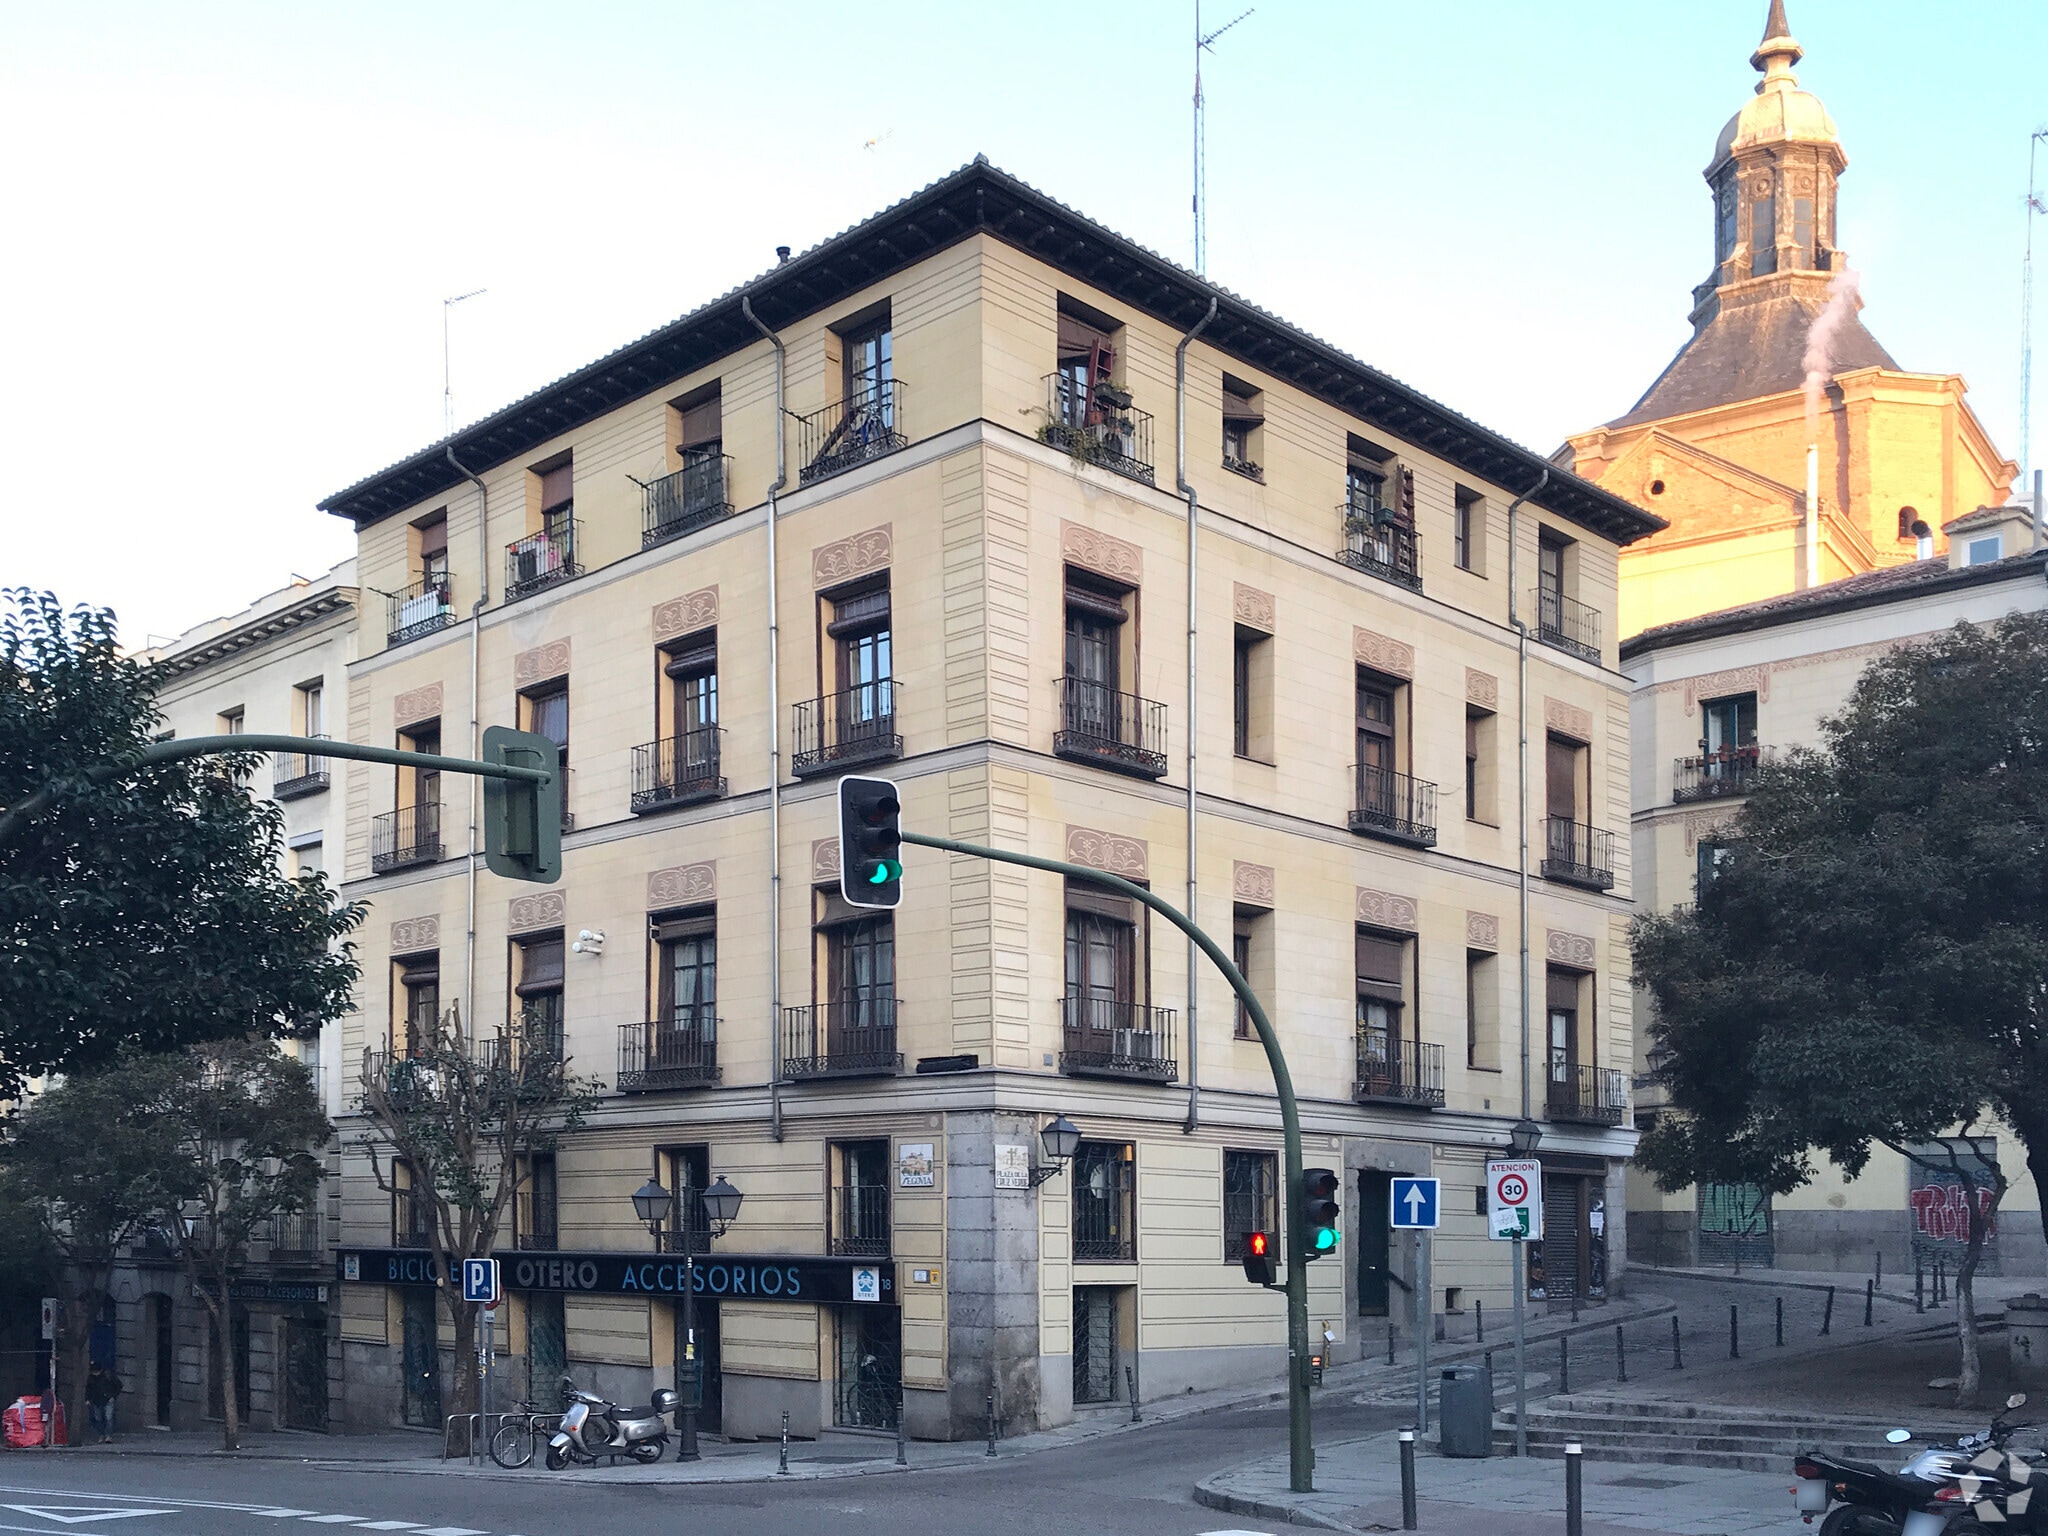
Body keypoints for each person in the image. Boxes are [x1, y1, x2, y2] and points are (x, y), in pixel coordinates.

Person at [85, 1365, 121, 1444]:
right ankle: (101, 1435)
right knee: (99, 1419)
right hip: (96, 1400)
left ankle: (108, 1436)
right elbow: (88, 1389)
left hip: (107, 1399)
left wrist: (113, 1396)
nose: (95, 1374)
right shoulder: (91, 1378)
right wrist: (87, 1399)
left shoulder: (108, 1376)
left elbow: (118, 1386)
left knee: (108, 1418)